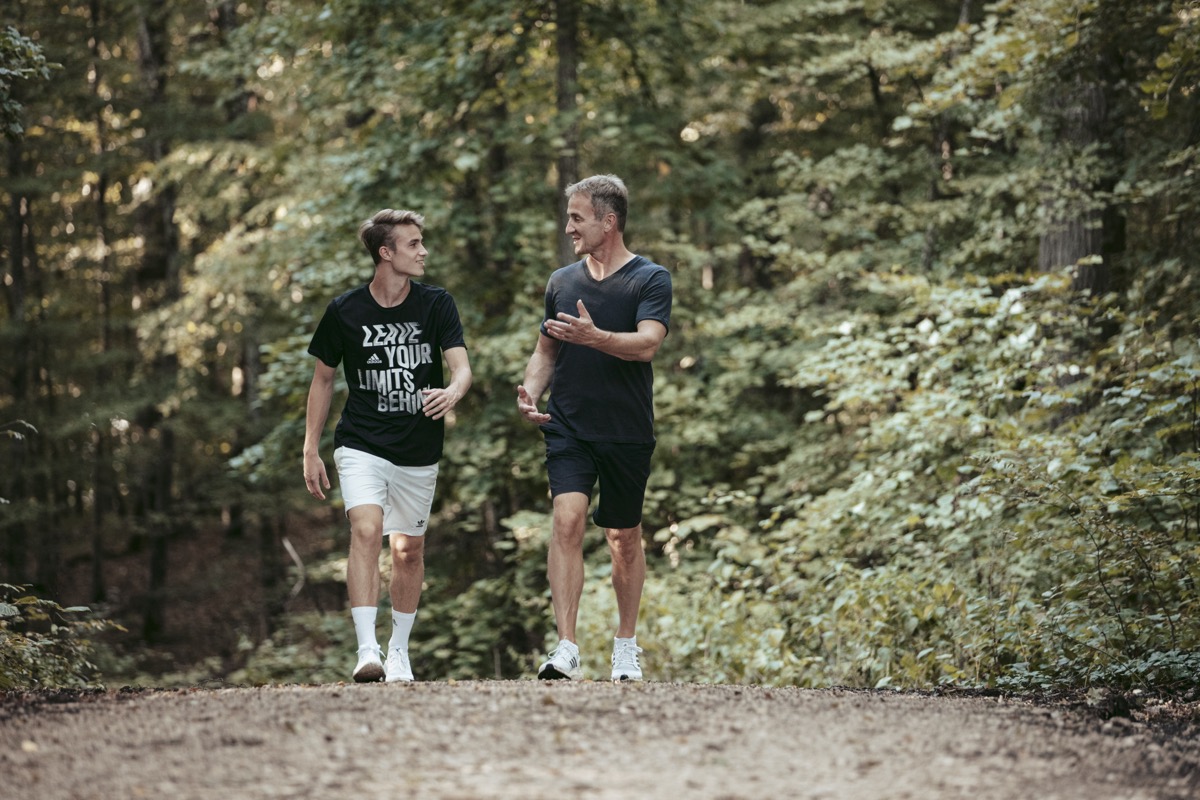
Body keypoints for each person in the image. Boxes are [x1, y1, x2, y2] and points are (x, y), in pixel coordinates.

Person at [303, 208, 471, 683]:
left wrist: (453, 391)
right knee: (366, 529)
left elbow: (461, 367)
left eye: (421, 242)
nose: (423, 252)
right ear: (386, 252)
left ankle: (399, 650)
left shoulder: (436, 304)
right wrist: (310, 448)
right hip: (361, 442)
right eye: (413, 244)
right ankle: (367, 650)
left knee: (409, 550)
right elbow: (323, 379)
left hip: (419, 448)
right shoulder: (345, 310)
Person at [516, 174, 672, 682]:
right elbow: (546, 350)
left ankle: (625, 647)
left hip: (626, 428)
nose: (569, 228)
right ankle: (566, 647)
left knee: (623, 536)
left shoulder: (650, 279)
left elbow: (648, 343)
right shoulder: (561, 282)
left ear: (609, 221)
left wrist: (596, 336)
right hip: (570, 425)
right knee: (567, 518)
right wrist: (530, 392)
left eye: (578, 218)